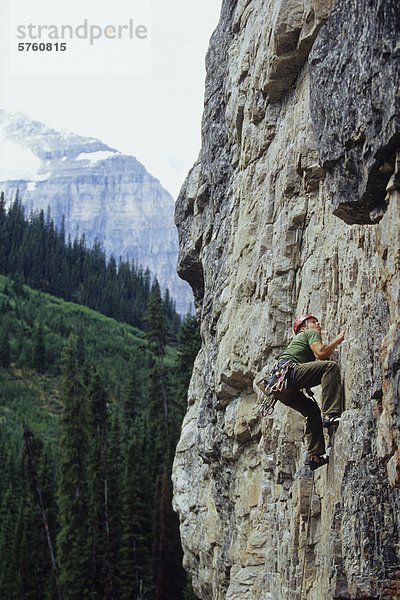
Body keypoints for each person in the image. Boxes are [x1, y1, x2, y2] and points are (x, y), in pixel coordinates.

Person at [272, 314, 345, 471]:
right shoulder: (309, 333)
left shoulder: (299, 343)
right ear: (303, 328)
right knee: (330, 367)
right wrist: (338, 339)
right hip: (289, 375)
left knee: (312, 412)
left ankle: (315, 456)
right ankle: (331, 415)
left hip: (279, 387)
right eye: (312, 322)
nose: (317, 323)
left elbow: (314, 363)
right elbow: (321, 354)